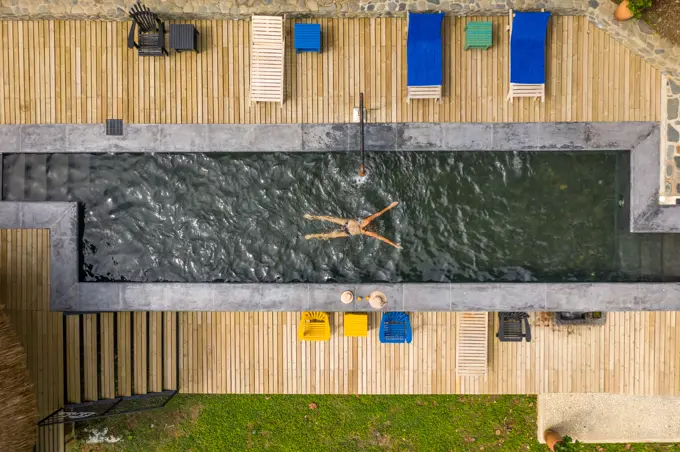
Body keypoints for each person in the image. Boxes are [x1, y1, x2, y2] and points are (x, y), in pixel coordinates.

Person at [303, 201, 402, 249]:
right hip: (348, 231)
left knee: (330, 220)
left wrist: (390, 206)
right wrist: (394, 245)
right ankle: (312, 234)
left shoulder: (366, 223)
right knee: (330, 235)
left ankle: (312, 220)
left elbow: (378, 214)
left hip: (347, 224)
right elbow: (381, 237)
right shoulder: (366, 231)